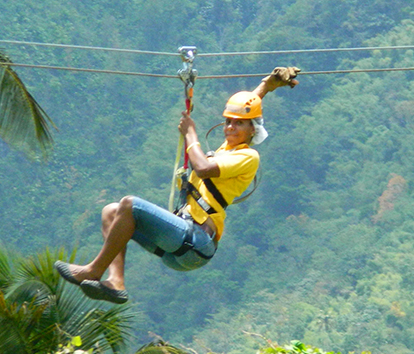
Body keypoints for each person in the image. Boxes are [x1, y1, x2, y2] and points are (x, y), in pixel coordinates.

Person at [55, 67, 299, 303]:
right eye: (228, 122)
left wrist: (191, 135)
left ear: (252, 129)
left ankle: (92, 270)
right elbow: (247, 107)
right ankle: (115, 282)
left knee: (130, 204)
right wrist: (267, 86)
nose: (230, 127)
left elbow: (202, 169)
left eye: (238, 124)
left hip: (196, 242)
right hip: (178, 244)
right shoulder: (228, 148)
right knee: (112, 210)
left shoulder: (247, 157)